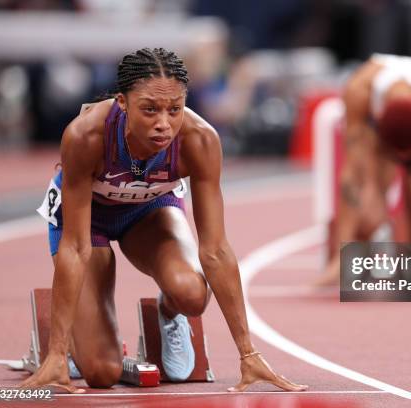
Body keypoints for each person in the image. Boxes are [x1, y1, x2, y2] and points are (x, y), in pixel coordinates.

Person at [22, 48, 307, 393]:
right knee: (101, 373)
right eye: (150, 109)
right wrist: (57, 352)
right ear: (123, 103)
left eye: (175, 109)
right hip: (88, 222)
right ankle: (56, 344)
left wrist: (248, 352)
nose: (163, 123)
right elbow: (77, 246)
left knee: (190, 292)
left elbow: (215, 250)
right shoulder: (86, 136)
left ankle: (167, 315)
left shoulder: (199, 140)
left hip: (149, 212)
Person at [314, 54, 411, 287]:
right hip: (378, 143)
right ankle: (354, 251)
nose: (401, 161)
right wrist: (342, 251)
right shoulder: (359, 90)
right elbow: (351, 174)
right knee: (366, 209)